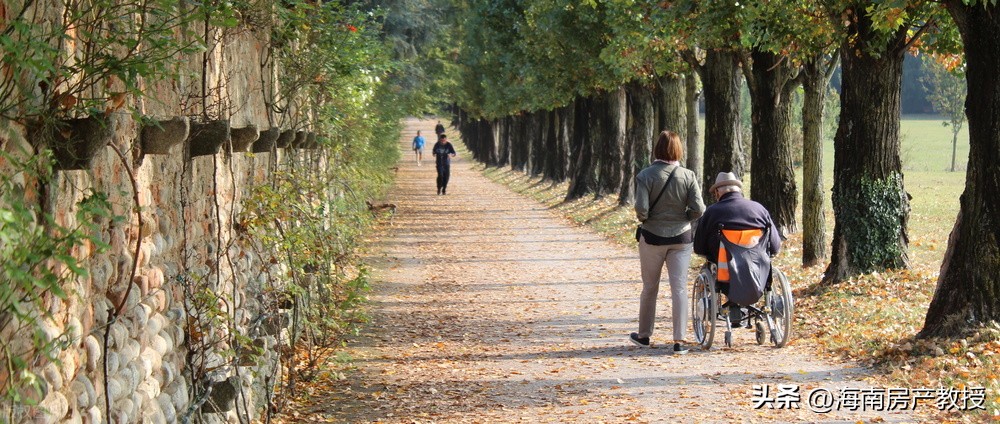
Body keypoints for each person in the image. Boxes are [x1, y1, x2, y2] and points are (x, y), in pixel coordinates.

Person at [631, 130, 706, 355]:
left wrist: (648, 219)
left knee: (649, 287)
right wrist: (684, 217)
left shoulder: (645, 175)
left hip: (652, 237)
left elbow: (641, 209)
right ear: (678, 150)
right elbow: (699, 209)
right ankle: (679, 341)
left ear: (657, 149)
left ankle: (644, 335)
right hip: (681, 238)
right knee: (679, 288)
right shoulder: (688, 175)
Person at [692, 172, 782, 324]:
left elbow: (699, 247)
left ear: (717, 192)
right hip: (759, 274)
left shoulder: (712, 212)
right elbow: (775, 246)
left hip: (725, 273)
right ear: (738, 190)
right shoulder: (759, 209)